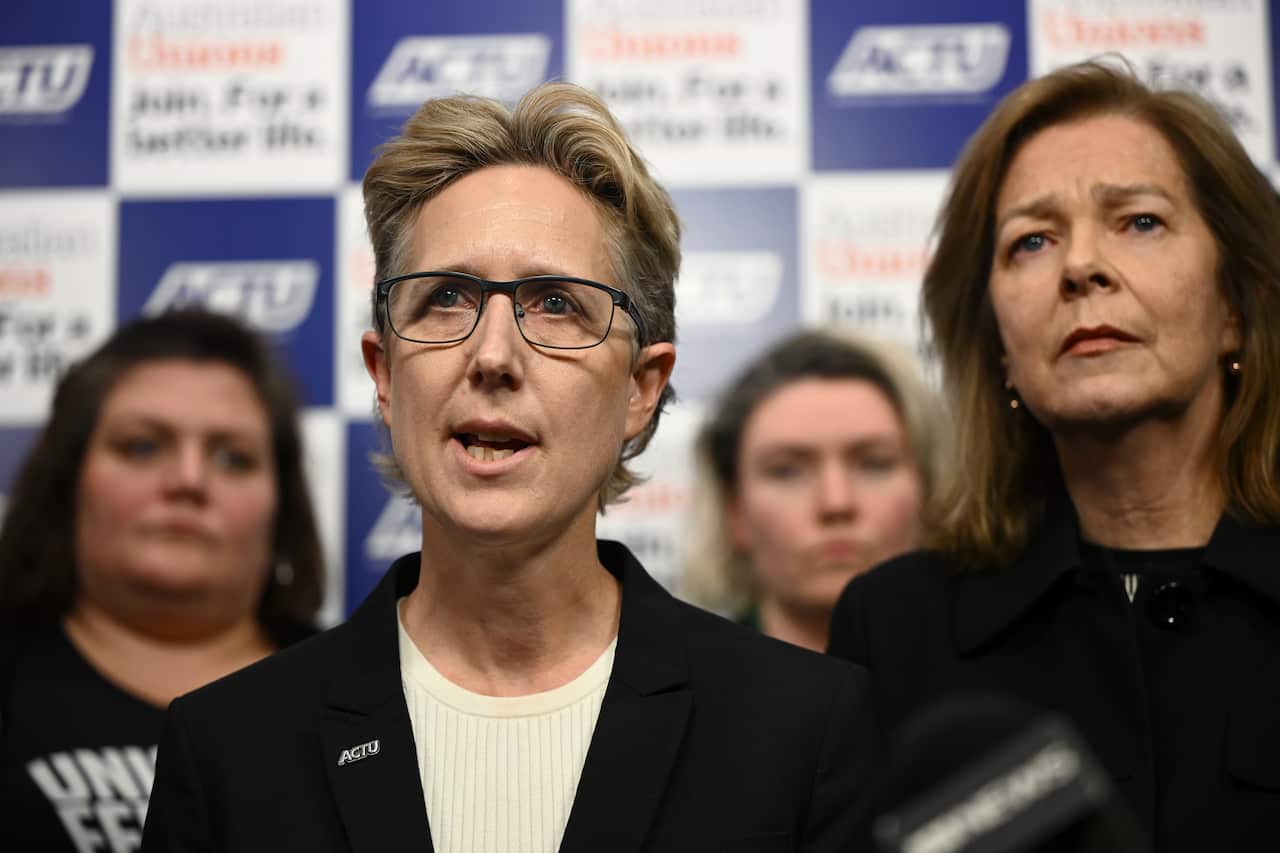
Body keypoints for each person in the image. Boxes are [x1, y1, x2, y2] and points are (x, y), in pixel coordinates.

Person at [141, 82, 874, 853]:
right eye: (446, 298)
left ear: (640, 389)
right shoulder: (226, 743)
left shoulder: (803, 727)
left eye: (556, 302)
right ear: (385, 375)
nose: (492, 356)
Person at [827, 59, 1280, 851]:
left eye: (1139, 221)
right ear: (1000, 347)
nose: (1080, 267)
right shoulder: (895, 626)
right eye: (1031, 241)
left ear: (1234, 310)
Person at [0, 309, 324, 852]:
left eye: (232, 458)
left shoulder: (361, 696)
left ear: (281, 505)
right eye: (143, 447)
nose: (188, 481)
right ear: (69, 482)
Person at [682, 329, 940, 651]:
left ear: (930, 490)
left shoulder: (996, 687)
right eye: (787, 471)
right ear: (735, 509)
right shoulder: (678, 693)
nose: (836, 503)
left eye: (874, 463)